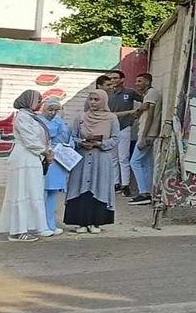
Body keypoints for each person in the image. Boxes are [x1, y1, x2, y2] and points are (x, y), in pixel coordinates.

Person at [0, 90, 54, 241]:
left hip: (32, 157)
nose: (40, 104)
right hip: (24, 158)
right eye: (38, 101)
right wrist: (45, 151)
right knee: (22, 192)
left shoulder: (31, 116)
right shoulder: (22, 117)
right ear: (29, 101)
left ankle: (35, 226)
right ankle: (18, 231)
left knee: (34, 192)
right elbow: (30, 140)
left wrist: (46, 150)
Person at [64, 90, 121, 233]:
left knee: (99, 187)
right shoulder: (81, 117)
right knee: (79, 187)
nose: (93, 103)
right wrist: (81, 142)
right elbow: (73, 137)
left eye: (96, 100)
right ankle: (81, 222)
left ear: (104, 101)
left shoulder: (111, 118)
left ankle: (96, 223)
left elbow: (116, 139)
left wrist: (100, 144)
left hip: (101, 159)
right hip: (82, 158)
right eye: (91, 99)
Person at [126, 72, 164, 205]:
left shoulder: (151, 94)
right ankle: (148, 192)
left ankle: (144, 193)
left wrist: (143, 136)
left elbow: (150, 116)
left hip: (147, 134)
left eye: (140, 81)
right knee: (147, 164)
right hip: (149, 133)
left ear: (147, 82)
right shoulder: (149, 95)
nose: (136, 84)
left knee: (134, 162)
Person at [41, 96, 73, 234]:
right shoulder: (41, 121)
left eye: (56, 110)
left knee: (53, 193)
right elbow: (51, 133)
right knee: (43, 193)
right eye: (50, 109)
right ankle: (42, 224)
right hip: (47, 159)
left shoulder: (61, 122)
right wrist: (58, 120)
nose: (53, 113)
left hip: (60, 160)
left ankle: (51, 224)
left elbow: (68, 137)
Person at [105, 70, 140, 196]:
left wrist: (137, 114)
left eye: (115, 78)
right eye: (111, 79)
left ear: (122, 79)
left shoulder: (129, 93)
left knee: (123, 157)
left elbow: (144, 101)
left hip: (124, 127)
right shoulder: (108, 94)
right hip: (110, 129)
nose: (113, 81)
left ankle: (125, 184)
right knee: (113, 158)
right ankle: (116, 183)